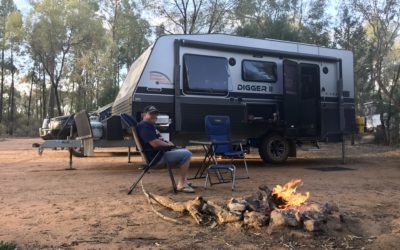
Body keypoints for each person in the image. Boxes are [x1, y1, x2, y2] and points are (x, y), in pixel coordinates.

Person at [137, 105, 195, 193]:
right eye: (151, 114)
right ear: (144, 115)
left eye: (156, 114)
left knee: (182, 152)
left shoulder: (149, 125)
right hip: (156, 158)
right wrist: (168, 145)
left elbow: (158, 140)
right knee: (186, 153)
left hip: (159, 154)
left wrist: (168, 144)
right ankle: (181, 185)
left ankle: (184, 181)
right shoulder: (144, 126)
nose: (155, 116)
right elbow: (155, 143)